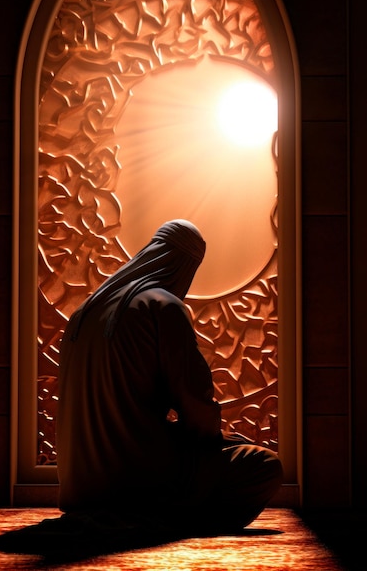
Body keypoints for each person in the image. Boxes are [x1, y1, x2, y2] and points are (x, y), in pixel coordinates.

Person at [56, 219, 282, 537]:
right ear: (185, 266)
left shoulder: (83, 312)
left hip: (79, 487)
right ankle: (167, 523)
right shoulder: (162, 306)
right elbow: (195, 402)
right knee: (262, 465)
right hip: (136, 480)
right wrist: (215, 440)